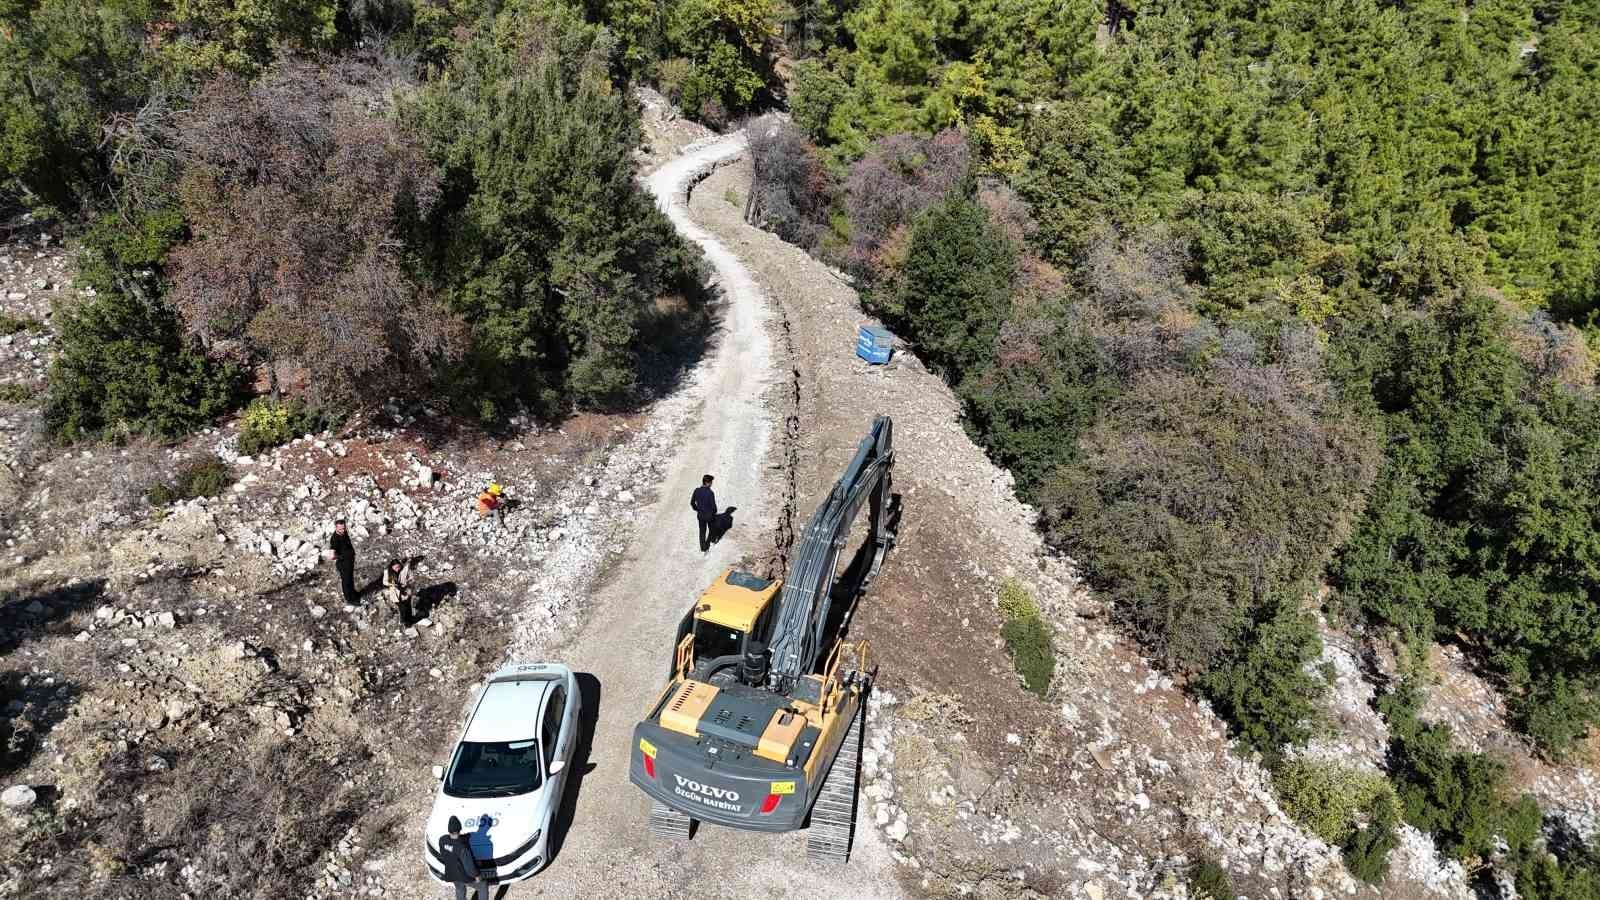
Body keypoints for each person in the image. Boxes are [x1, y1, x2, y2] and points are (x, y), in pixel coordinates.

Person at [438, 815, 489, 900]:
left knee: (459, 889)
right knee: (482, 886)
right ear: (459, 829)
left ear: (449, 830)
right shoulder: (462, 848)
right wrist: (477, 875)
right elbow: (469, 867)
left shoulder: (442, 840)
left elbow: (446, 852)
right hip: (464, 875)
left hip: (451, 873)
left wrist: (465, 837)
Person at [329, 518, 358, 608]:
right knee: (346, 582)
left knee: (350, 579)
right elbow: (332, 556)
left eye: (344, 528)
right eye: (340, 529)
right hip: (343, 563)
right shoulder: (334, 539)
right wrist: (342, 556)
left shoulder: (344, 533)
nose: (343, 530)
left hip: (349, 561)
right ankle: (349, 600)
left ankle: (353, 594)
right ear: (336, 528)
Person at [383, 557, 415, 627]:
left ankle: (409, 619)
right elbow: (384, 582)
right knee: (402, 608)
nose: (397, 569)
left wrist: (408, 582)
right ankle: (404, 622)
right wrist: (391, 584)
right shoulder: (387, 572)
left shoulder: (404, 569)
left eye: (398, 567)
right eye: (395, 567)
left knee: (408, 606)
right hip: (395, 593)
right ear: (391, 567)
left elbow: (412, 578)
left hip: (406, 591)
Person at [690, 474, 717, 553]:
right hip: (709, 515)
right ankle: (712, 541)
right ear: (707, 483)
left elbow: (692, 503)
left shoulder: (696, 490)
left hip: (700, 515)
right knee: (712, 528)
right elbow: (713, 506)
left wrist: (697, 509)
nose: (712, 484)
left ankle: (703, 548)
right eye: (711, 482)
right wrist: (714, 512)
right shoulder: (710, 493)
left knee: (702, 531)